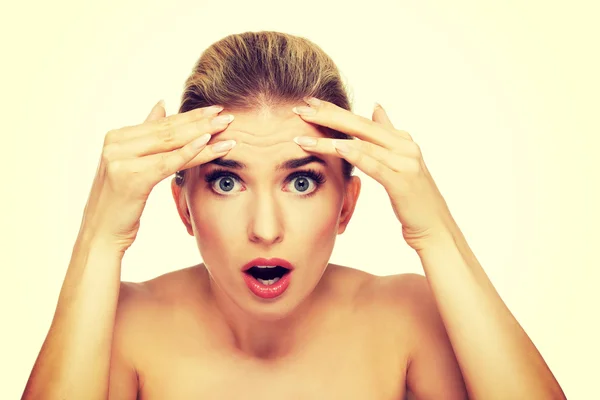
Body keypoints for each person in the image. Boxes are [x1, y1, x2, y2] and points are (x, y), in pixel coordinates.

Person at [22, 31, 565, 399]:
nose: (265, 228)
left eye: (302, 181)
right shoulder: (123, 327)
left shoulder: (408, 318)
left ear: (346, 204)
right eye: (226, 181)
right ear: (183, 206)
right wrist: (100, 241)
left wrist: (435, 233)